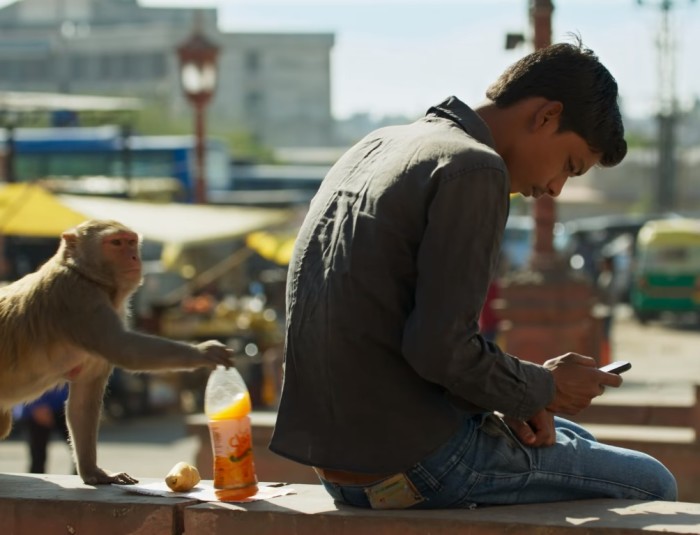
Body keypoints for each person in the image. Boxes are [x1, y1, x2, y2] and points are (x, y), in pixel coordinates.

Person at [269, 38, 677, 508]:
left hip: (337, 462)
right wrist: (543, 384)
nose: (554, 188)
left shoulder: (379, 144)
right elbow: (439, 349)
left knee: (567, 432)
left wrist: (522, 396)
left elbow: (400, 336)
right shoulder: (475, 168)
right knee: (652, 485)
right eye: (569, 165)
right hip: (414, 463)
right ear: (546, 116)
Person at [14, 385, 72, 474]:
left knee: (79, 450)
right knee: (38, 457)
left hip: (63, 405)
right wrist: (35, 404)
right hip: (34, 406)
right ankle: (35, 484)